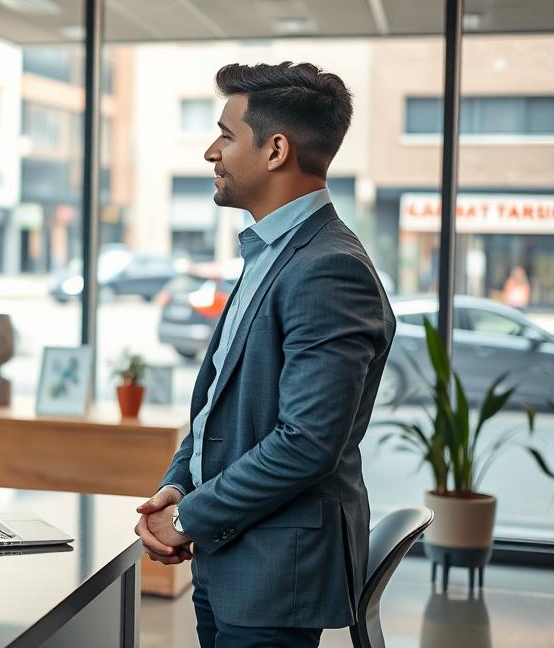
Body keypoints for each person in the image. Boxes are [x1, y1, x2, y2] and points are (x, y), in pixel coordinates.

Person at [134, 62, 396, 648]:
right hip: (234, 552)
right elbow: (222, 409)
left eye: (226, 135)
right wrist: (179, 487)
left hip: (277, 571)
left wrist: (188, 519)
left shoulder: (328, 268)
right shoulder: (270, 253)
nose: (211, 152)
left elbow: (306, 442)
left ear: (276, 150)